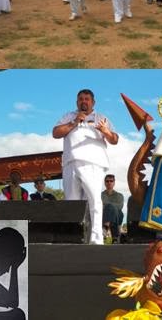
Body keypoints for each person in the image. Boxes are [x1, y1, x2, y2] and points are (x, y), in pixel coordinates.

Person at [52, 89, 118, 244]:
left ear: (93, 102)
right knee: (72, 203)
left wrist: (105, 131)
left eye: (87, 99)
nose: (84, 101)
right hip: (70, 163)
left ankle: (96, 239)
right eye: (81, 99)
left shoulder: (101, 118)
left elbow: (115, 140)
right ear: (77, 102)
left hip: (93, 164)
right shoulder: (68, 116)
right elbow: (55, 133)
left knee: (94, 201)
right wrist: (74, 122)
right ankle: (73, 238)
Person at [101, 174, 124, 243]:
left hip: (117, 215)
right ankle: (115, 237)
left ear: (114, 183)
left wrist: (108, 205)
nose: (109, 183)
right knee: (110, 208)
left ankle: (105, 228)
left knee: (113, 209)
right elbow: (99, 206)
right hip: (104, 215)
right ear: (105, 183)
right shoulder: (100, 195)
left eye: (111, 181)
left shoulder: (119, 195)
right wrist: (110, 206)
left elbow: (120, 206)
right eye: (107, 181)